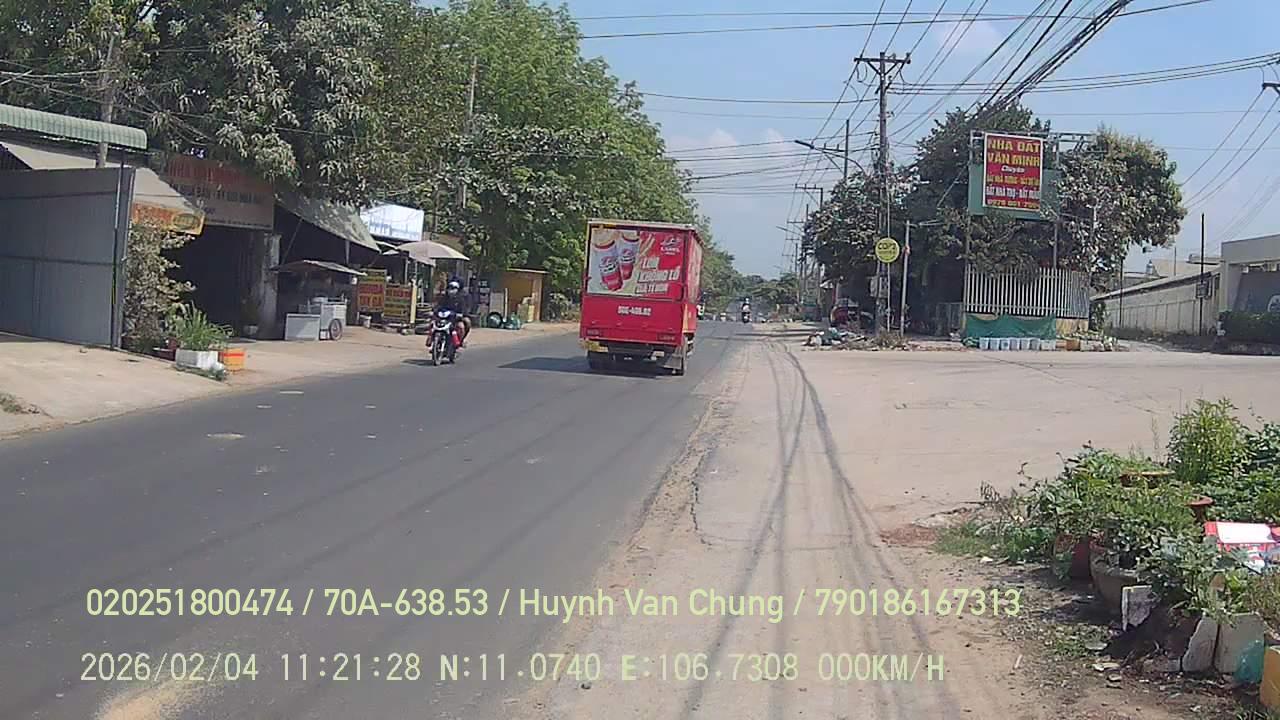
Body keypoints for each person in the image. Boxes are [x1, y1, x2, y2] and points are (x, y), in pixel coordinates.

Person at [435, 279, 470, 346]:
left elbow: (463, 309)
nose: (451, 290)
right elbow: (438, 306)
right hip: (444, 319)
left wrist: (461, 314)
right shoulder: (444, 298)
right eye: (449, 288)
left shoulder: (461, 299)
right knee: (432, 324)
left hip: (455, 319)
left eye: (453, 288)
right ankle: (432, 341)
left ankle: (461, 341)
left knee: (462, 327)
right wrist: (434, 311)